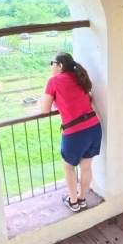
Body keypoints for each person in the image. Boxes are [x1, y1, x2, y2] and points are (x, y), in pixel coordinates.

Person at [39, 52, 102, 212]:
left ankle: (73, 201)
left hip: (75, 132)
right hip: (94, 127)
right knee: (86, 166)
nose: (51, 66)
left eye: (52, 63)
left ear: (59, 65)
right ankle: (81, 199)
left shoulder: (53, 81)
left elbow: (44, 110)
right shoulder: (79, 77)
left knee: (68, 167)